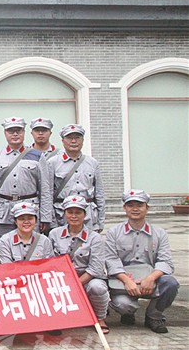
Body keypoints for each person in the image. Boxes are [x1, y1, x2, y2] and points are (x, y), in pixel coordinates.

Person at [105, 190, 179, 334]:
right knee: (123, 305)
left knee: (170, 283)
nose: (135, 209)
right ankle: (128, 312)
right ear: (124, 208)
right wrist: (127, 281)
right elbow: (111, 260)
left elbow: (166, 261)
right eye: (130, 205)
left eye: (139, 205)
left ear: (147, 208)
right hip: (123, 281)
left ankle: (154, 316)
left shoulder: (159, 233)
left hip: (150, 281)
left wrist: (151, 278)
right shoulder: (113, 232)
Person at [49, 195, 110, 333]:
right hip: (62, 279)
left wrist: (76, 283)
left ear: (85, 214)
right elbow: (50, 262)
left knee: (97, 288)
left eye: (78, 212)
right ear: (64, 214)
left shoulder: (95, 238)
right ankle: (57, 318)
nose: (74, 216)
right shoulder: (54, 234)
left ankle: (100, 318)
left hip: (87, 278)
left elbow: (95, 268)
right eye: (70, 212)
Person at [0, 117, 51, 244]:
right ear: (5, 133)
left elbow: (45, 189)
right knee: (5, 245)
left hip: (29, 210)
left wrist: (46, 217)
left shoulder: (37, 155)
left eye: (18, 130)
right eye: (11, 131)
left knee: (31, 246)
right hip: (3, 212)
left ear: (24, 132)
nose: (15, 134)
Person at [46, 124, 105, 232]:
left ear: (82, 140)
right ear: (63, 141)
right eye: (69, 138)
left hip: (88, 216)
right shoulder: (53, 163)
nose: (73, 141)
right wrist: (52, 221)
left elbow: (99, 194)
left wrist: (100, 221)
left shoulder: (92, 163)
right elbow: (47, 194)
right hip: (62, 215)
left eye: (77, 138)